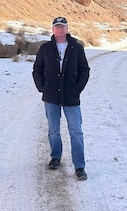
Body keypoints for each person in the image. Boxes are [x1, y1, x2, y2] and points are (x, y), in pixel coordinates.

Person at [32, 16, 90, 180]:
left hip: (71, 97)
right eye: (57, 26)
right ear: (53, 29)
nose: (59, 29)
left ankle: (79, 166)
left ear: (67, 28)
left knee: (76, 131)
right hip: (51, 96)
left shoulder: (76, 47)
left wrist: (77, 88)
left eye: (62, 26)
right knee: (53, 130)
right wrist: (42, 87)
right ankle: (55, 157)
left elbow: (84, 70)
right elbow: (37, 69)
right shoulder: (45, 48)